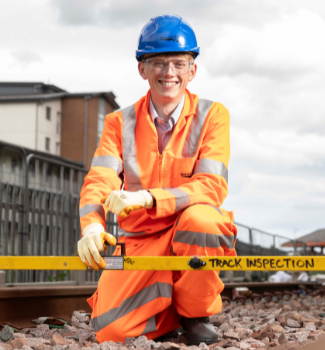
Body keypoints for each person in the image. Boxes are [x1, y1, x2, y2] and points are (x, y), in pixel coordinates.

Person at [75, 15, 235, 345]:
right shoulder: (119, 122)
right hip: (139, 242)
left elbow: (212, 186)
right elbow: (99, 179)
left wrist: (148, 198)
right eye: (158, 63)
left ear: (193, 70)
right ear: (142, 69)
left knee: (203, 219)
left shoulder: (212, 115)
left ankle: (194, 315)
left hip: (188, 228)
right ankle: (169, 311)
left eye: (179, 63)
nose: (169, 73)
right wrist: (91, 226)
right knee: (110, 330)